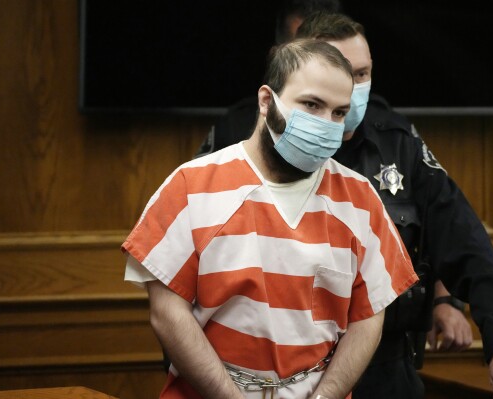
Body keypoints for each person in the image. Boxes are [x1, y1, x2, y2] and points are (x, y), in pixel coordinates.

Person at [196, 8, 493, 399]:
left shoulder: (397, 144)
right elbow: (188, 272)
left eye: (362, 73)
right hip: (270, 369)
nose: (354, 87)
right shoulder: (246, 143)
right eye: (340, 71)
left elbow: (466, 243)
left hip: (384, 366)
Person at [122, 38, 418, 399]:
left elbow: (368, 317)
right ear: (266, 101)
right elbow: (167, 314)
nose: (327, 125)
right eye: (312, 104)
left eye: (339, 113)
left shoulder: (361, 198)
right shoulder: (190, 186)